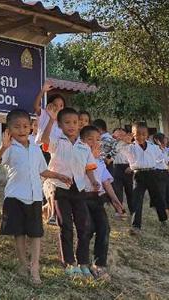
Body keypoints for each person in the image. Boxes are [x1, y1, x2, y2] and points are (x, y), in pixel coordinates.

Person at [0, 109, 71, 284]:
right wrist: (3, 146)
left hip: (35, 197)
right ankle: (22, 264)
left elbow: (42, 170)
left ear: (31, 128)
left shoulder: (35, 148)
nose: (21, 129)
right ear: (8, 129)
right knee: (19, 233)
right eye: (17, 126)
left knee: (36, 234)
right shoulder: (9, 147)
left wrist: (59, 176)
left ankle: (35, 267)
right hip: (15, 196)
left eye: (25, 126)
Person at [41, 107, 99, 278]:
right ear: (60, 125)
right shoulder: (57, 141)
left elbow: (89, 168)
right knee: (65, 225)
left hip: (79, 190)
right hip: (60, 188)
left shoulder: (84, 147)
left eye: (75, 122)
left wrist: (94, 180)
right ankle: (69, 262)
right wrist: (50, 120)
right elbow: (44, 140)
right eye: (67, 123)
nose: (72, 126)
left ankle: (82, 262)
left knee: (84, 226)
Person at [80, 125, 123, 280]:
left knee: (104, 228)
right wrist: (89, 155)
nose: (94, 142)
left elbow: (106, 182)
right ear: (82, 140)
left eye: (97, 139)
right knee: (87, 228)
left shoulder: (100, 160)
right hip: (81, 198)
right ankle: (82, 262)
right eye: (89, 139)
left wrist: (115, 200)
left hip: (97, 199)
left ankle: (99, 264)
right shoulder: (78, 155)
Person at [127, 122, 168, 233]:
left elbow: (161, 159)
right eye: (137, 134)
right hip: (138, 174)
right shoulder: (130, 147)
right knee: (137, 199)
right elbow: (127, 157)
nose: (140, 136)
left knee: (158, 197)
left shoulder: (153, 147)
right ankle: (136, 225)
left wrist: (164, 168)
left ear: (147, 134)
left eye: (143, 134)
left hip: (151, 173)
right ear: (133, 135)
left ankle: (163, 220)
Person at [113, 128, 134, 215]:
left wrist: (131, 166)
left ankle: (133, 210)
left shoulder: (132, 145)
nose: (120, 137)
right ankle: (119, 210)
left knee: (130, 191)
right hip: (116, 168)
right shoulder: (112, 145)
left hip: (128, 168)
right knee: (117, 191)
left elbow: (136, 157)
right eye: (117, 135)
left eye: (122, 135)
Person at [153, 133, 169, 214]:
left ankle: (167, 208)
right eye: (164, 138)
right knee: (161, 192)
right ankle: (162, 210)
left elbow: (166, 162)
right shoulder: (154, 149)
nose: (166, 140)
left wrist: (168, 171)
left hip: (165, 172)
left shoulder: (164, 150)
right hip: (158, 172)